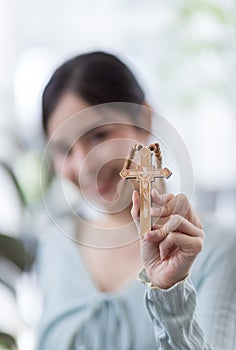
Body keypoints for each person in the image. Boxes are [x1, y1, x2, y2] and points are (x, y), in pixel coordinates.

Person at [36, 51, 236, 349]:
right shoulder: (55, 244)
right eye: (64, 149)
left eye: (98, 136)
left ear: (144, 119)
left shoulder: (215, 248)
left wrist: (171, 293)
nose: (85, 164)